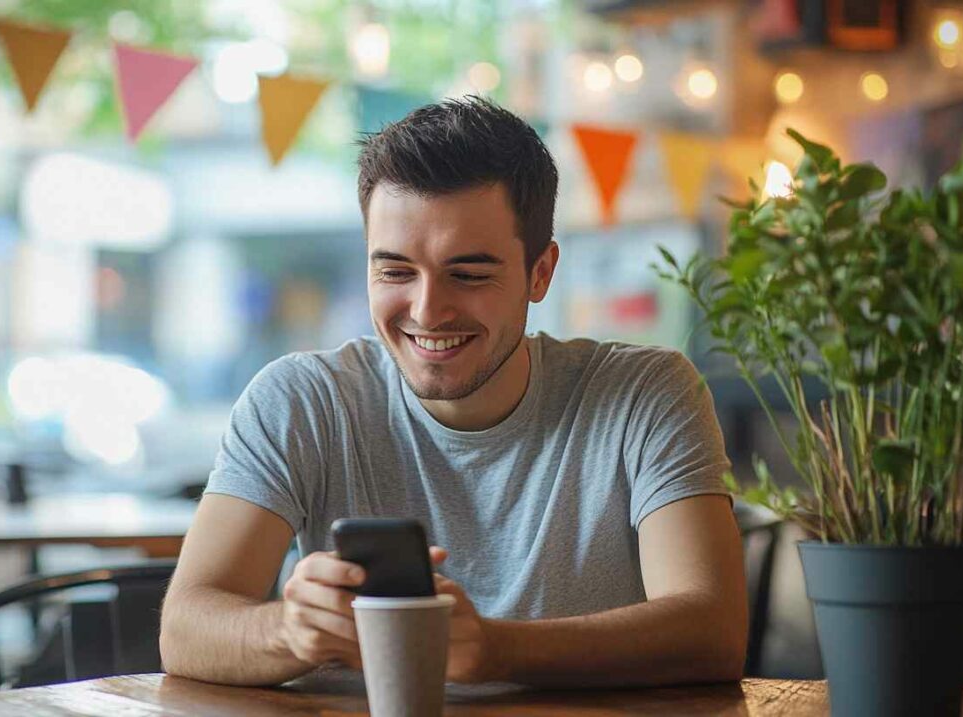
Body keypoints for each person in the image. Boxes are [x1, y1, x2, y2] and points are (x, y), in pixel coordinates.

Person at [160, 96, 747, 688]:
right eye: (394, 272)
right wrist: (289, 631)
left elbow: (711, 630)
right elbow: (185, 628)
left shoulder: (645, 394)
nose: (427, 310)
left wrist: (496, 650)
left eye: (468, 275)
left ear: (540, 273)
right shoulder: (302, 399)